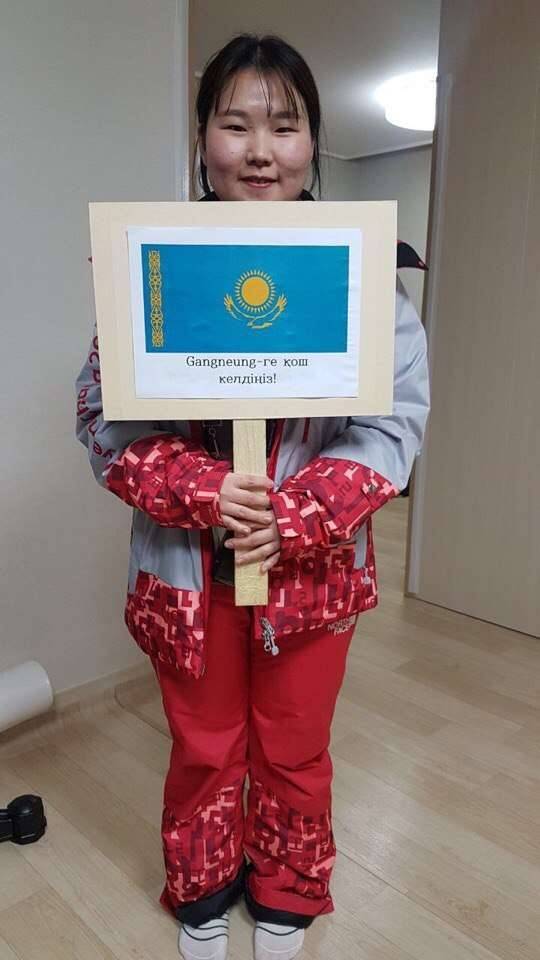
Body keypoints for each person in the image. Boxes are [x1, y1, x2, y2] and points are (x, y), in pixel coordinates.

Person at [76, 33, 430, 960]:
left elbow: (395, 422)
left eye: (285, 125)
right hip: (188, 576)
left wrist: (298, 511)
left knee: (295, 741)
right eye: (236, 125)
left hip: (312, 573)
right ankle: (202, 888)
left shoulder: (363, 271)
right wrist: (202, 487)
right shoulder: (150, 266)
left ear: (313, 142)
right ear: (202, 140)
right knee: (203, 741)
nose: (261, 151)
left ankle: (287, 890)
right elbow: (102, 415)